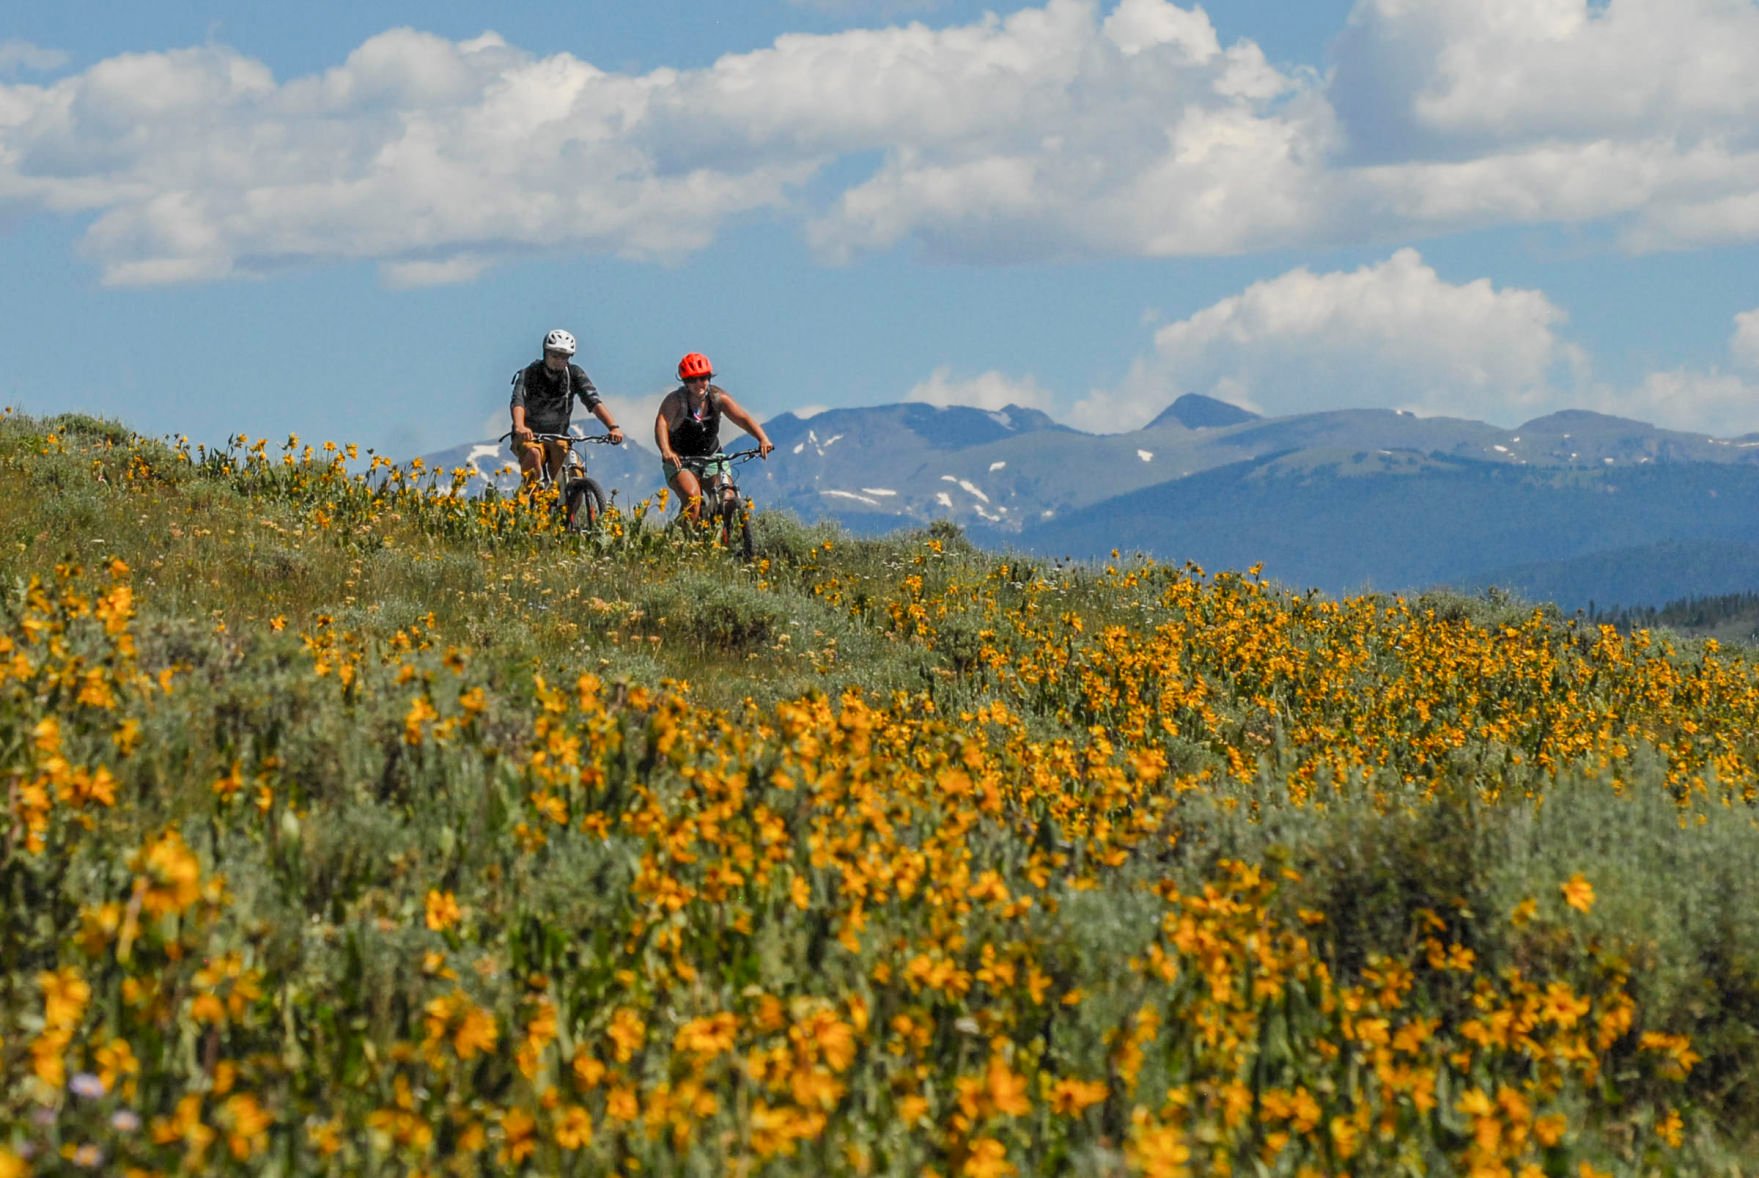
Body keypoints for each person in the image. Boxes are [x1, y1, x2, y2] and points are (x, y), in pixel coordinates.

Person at [654, 352, 774, 521]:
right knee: (692, 499)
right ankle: (680, 543)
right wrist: (666, 451)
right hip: (681, 460)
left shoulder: (718, 398)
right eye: (692, 379)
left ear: (709, 377)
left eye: (703, 378)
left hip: (712, 457)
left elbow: (743, 419)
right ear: (685, 382)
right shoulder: (675, 401)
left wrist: (762, 439)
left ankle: (727, 539)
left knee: (728, 498)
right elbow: (662, 424)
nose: (698, 384)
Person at [509, 329, 624, 485]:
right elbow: (518, 401)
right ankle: (533, 503)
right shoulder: (529, 373)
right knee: (533, 454)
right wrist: (520, 426)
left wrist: (613, 427)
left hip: (559, 436)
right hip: (529, 436)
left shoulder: (574, 374)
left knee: (574, 471)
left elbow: (594, 402)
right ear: (545, 353)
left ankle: (570, 507)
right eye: (554, 355)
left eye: (564, 357)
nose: (559, 360)